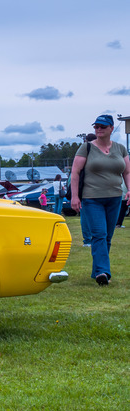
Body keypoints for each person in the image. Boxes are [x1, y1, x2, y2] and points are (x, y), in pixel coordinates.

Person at [69, 114, 130, 286]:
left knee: (108, 237)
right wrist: (75, 196)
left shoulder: (120, 148)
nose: (98, 129)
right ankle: (103, 272)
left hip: (114, 198)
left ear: (111, 128)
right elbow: (75, 173)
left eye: (103, 126)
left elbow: (127, 172)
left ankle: (97, 271)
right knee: (99, 235)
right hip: (92, 199)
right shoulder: (86, 148)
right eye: (96, 126)